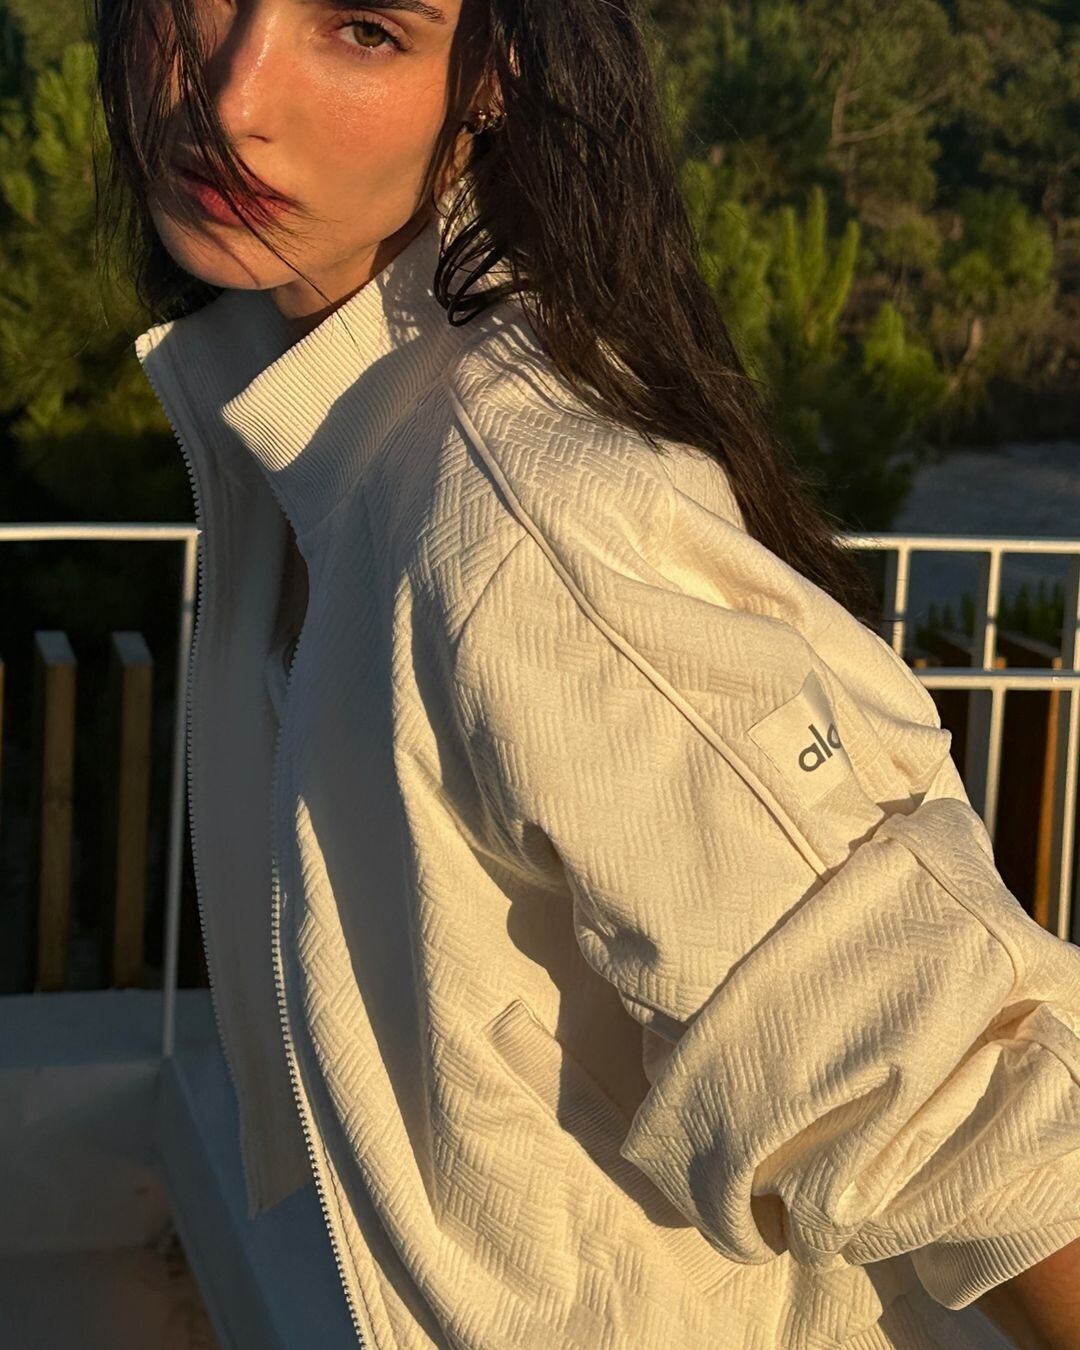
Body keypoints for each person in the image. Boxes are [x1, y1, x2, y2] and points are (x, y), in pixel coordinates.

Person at [94, 0, 1080, 1345]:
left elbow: (985, 1123)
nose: (233, 97)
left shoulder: (523, 512)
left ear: (494, 75)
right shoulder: (328, 411)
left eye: (365, 28)